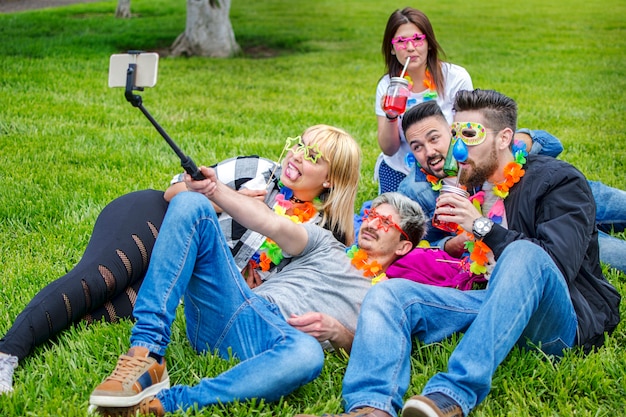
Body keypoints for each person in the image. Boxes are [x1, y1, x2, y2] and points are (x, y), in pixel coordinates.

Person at [296, 89, 621, 417]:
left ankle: (450, 396)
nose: (459, 147)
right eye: (456, 134)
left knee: (525, 253)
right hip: (496, 305)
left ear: (504, 138)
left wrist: (480, 226)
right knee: (390, 294)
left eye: (470, 134)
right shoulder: (472, 186)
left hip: (558, 319)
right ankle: (370, 408)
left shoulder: (558, 180)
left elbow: (556, 265)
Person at [0, 125, 359, 395]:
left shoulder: (320, 235)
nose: (297, 155)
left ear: (331, 181)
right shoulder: (258, 169)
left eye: (313, 156)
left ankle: (37, 343)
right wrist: (228, 197)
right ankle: (8, 353)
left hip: (186, 277)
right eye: (299, 144)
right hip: (155, 221)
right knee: (98, 280)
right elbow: (174, 193)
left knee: (105, 310)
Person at [88, 185, 429, 416]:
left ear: (403, 246)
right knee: (191, 203)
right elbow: (270, 223)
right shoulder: (326, 243)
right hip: (240, 309)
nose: (372, 223)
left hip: (278, 344)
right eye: (371, 214)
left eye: (386, 223)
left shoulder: (386, 296)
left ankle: (166, 404)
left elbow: (377, 349)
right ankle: (146, 352)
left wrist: (340, 332)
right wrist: (216, 190)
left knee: (308, 354)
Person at [396, 100, 626, 273]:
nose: (429, 152)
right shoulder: (414, 192)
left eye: (434, 138)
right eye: (417, 147)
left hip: (560, 197)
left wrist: (519, 141)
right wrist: (449, 244)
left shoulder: (487, 149)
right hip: (537, 231)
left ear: (453, 131)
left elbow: (553, 144)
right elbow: (417, 246)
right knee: (618, 256)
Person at [374, 7, 561, 194]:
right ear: (391, 48)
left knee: (511, 164)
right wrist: (391, 116)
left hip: (456, 159)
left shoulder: (455, 77)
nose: (409, 47)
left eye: (417, 39)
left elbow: (469, 125)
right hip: (402, 166)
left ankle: (522, 139)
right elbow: (390, 150)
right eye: (400, 41)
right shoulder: (387, 86)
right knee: (403, 204)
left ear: (429, 43)